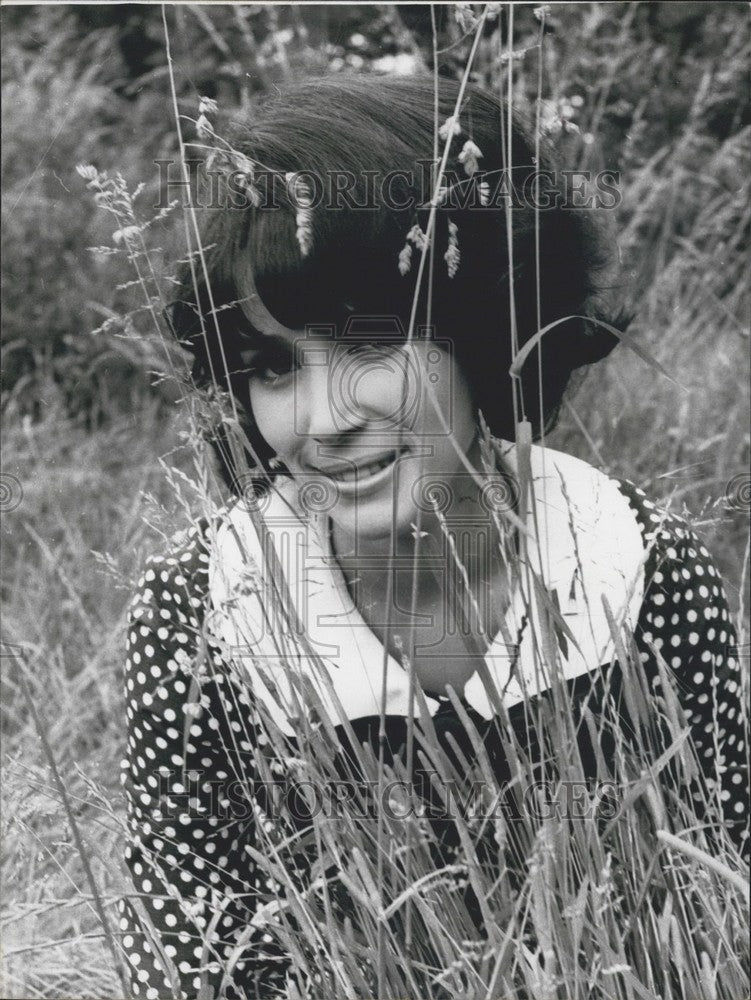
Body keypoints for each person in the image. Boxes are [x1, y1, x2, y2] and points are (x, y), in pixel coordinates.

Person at [118, 76, 748, 999]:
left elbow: (715, 897)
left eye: (369, 345)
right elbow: (190, 959)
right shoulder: (204, 612)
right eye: (273, 365)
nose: (321, 421)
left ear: (483, 330)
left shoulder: (635, 568)